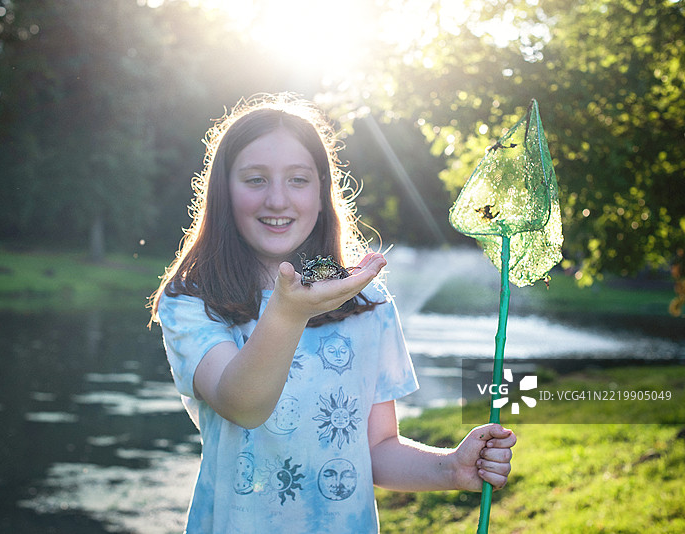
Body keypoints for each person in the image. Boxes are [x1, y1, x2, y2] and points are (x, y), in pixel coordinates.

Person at [149, 93, 516, 533]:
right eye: (255, 179)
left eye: (298, 180)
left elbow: (377, 447)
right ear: (223, 192)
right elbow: (243, 405)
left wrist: (451, 467)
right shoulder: (193, 300)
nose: (277, 200)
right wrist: (289, 313)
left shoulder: (366, 302)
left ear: (322, 192)